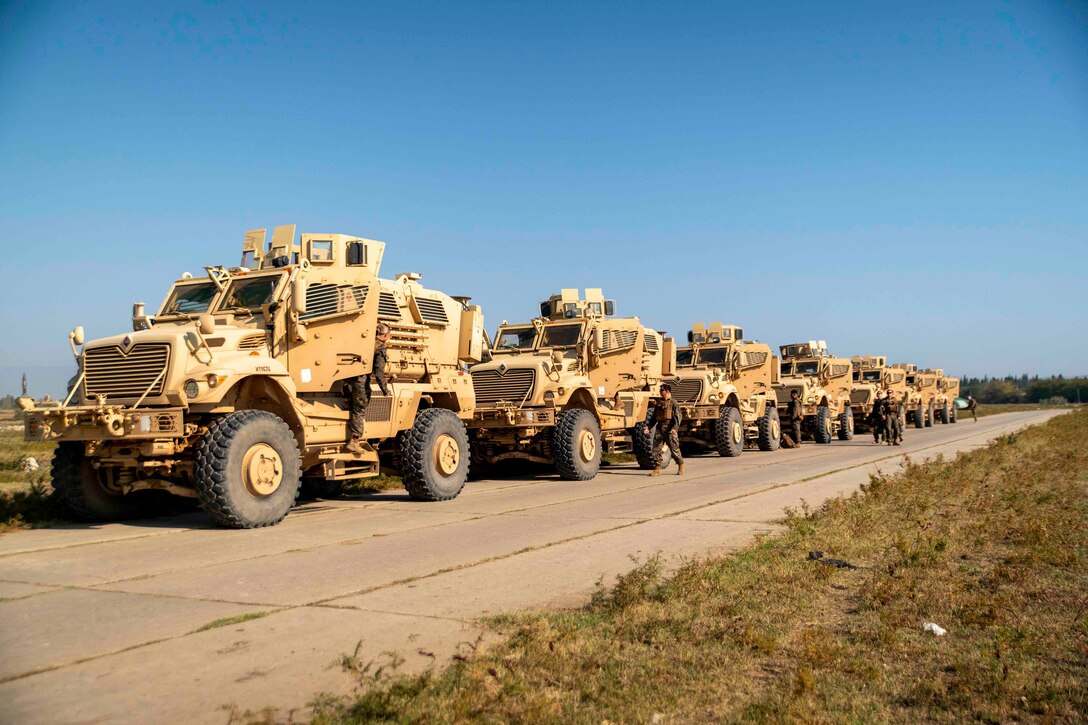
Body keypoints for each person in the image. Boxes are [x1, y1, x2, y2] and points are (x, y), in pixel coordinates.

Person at [346, 323, 392, 453]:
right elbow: (378, 372)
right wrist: (385, 389)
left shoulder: (364, 342)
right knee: (359, 409)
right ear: (384, 335)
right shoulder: (380, 348)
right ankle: (354, 441)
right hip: (362, 380)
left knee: (353, 406)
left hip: (350, 378)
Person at [642, 383, 684, 476]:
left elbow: (678, 417)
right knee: (656, 449)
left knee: (674, 449)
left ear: (667, 391)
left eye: (662, 391)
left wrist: (674, 428)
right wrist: (648, 427)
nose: (660, 393)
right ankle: (657, 468)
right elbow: (653, 417)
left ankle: (681, 464)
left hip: (669, 428)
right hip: (660, 428)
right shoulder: (659, 403)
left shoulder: (674, 403)